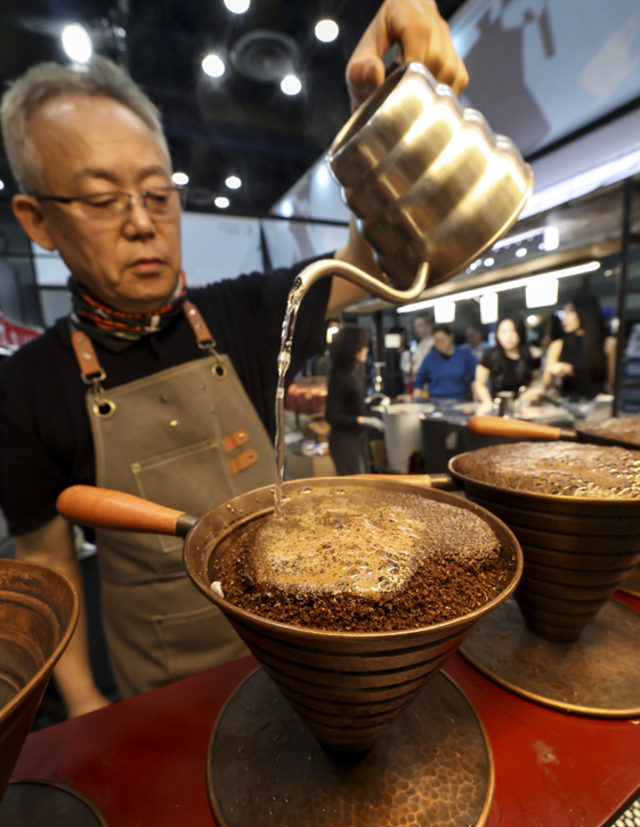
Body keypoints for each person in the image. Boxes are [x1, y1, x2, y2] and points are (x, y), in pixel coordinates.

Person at [0, 0, 469, 716]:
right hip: (164, 694)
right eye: (101, 199)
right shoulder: (28, 386)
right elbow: (46, 559)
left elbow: (371, 263)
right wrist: (85, 697)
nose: (141, 223)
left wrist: (377, 130)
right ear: (38, 220)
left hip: (296, 658)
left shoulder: (243, 313)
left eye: (157, 193)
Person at [326, 326, 383, 474]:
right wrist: (363, 420)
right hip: (345, 441)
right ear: (352, 348)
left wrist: (373, 401)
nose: (366, 349)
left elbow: (352, 405)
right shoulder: (338, 377)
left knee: (365, 480)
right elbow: (331, 417)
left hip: (358, 438)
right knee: (355, 483)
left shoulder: (353, 373)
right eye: (363, 345)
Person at [542, 296, 616, 400]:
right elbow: (545, 386)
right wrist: (552, 370)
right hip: (566, 404)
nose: (564, 318)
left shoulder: (608, 343)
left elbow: (613, 383)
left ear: (585, 312)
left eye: (570, 312)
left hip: (597, 404)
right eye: (564, 312)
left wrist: (613, 405)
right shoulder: (558, 345)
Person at [474, 316, 540, 408]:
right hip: (498, 407)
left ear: (520, 332)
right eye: (503, 332)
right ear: (497, 334)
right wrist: (489, 404)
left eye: (513, 331)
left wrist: (532, 395)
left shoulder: (530, 355)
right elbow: (480, 384)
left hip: (524, 406)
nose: (508, 336)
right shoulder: (490, 355)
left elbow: (535, 382)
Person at [412, 325, 476, 400]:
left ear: (451, 337)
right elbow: (418, 383)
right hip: (435, 400)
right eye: (436, 341)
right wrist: (417, 400)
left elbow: (475, 378)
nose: (440, 343)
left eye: (442, 340)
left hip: (460, 400)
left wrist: (477, 400)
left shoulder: (464, 355)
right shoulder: (429, 358)